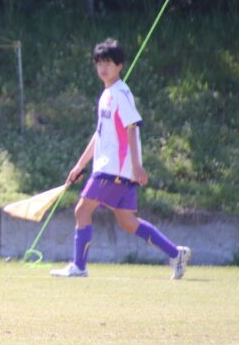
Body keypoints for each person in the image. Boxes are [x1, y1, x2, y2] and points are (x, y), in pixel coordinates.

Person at [51, 38, 191, 279]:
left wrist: (137, 165)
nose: (103, 68)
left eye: (108, 63)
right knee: (127, 221)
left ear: (119, 66)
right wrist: (80, 164)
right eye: (99, 63)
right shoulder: (106, 94)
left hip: (114, 167)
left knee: (82, 210)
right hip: (112, 168)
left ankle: (79, 267)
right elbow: (99, 134)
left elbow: (132, 127)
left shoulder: (120, 93)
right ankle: (176, 253)